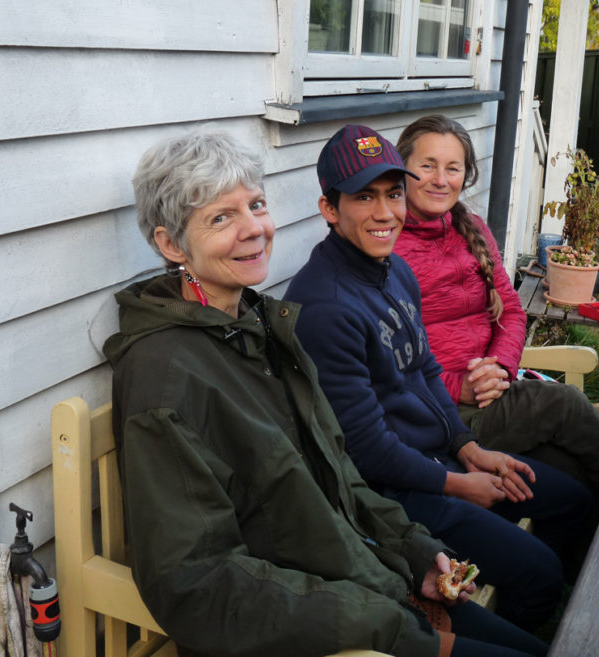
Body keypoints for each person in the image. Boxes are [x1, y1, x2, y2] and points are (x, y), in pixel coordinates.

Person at [102, 128, 549, 657]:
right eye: (221, 218)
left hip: (365, 579)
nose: (254, 230)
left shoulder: (258, 325)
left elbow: (335, 471)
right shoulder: (165, 376)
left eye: (256, 205)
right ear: (172, 243)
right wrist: (378, 618)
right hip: (327, 623)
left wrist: (414, 550)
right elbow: (195, 582)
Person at [285, 124, 597, 633]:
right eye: (364, 197)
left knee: (569, 499)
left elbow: (425, 369)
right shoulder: (326, 306)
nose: (386, 213)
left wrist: (470, 448)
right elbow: (366, 450)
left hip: (442, 456)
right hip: (398, 493)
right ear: (329, 209)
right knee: (538, 570)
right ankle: (526, 631)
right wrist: (459, 484)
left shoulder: (392, 270)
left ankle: (563, 615)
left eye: (392, 193)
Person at [393, 114, 599, 500]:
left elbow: (513, 313)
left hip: (493, 391)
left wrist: (500, 367)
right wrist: (459, 388)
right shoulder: (390, 244)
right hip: (442, 411)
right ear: (402, 170)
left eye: (453, 168)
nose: (440, 179)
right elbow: (391, 359)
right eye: (427, 166)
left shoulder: (471, 228)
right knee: (565, 403)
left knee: (570, 473)